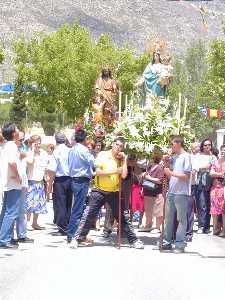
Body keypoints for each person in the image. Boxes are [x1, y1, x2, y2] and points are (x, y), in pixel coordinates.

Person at [69, 137, 144, 249]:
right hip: (99, 190)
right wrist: (115, 171)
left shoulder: (121, 159)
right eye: (117, 145)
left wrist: (124, 161)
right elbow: (98, 172)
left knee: (123, 216)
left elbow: (123, 175)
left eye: (121, 146)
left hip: (114, 191)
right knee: (88, 214)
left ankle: (133, 240)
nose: (118, 148)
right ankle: (77, 238)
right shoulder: (103, 155)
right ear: (113, 144)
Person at [162, 135, 192, 253]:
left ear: (178, 144)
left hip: (182, 193)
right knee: (168, 219)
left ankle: (180, 244)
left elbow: (186, 176)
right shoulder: (175, 157)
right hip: (172, 192)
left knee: (181, 219)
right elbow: (168, 171)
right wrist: (166, 162)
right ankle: (167, 242)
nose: (171, 147)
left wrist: (171, 173)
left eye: (172, 144)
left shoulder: (186, 157)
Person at [67, 129, 95, 243]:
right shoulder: (83, 150)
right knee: (78, 209)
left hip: (74, 179)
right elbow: (93, 162)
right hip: (81, 180)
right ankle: (73, 235)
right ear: (84, 139)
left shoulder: (72, 149)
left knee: (77, 208)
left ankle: (74, 234)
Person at [0, 123, 22, 249]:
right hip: (13, 183)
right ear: (14, 133)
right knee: (11, 212)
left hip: (8, 182)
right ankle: (4, 239)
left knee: (6, 211)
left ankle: (3, 237)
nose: (19, 131)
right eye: (17, 129)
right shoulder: (12, 146)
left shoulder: (7, 146)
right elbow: (12, 162)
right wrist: (18, 175)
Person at [47, 132, 72, 236]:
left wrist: (49, 185)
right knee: (68, 203)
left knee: (60, 204)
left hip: (60, 180)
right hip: (70, 179)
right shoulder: (70, 150)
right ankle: (68, 224)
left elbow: (52, 170)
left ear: (56, 140)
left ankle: (62, 227)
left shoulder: (56, 152)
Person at [13, 131, 34, 243]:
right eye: (20, 140)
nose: (22, 142)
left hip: (23, 183)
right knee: (12, 211)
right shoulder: (10, 150)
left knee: (21, 210)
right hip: (14, 183)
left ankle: (21, 235)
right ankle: (10, 236)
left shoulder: (23, 149)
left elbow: (30, 161)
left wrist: (31, 148)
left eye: (23, 140)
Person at [25, 135, 48, 230]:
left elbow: (46, 164)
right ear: (31, 143)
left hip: (40, 180)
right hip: (31, 180)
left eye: (39, 143)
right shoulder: (29, 152)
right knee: (30, 203)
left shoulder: (43, 152)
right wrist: (33, 151)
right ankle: (27, 223)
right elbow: (30, 162)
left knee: (39, 203)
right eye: (36, 143)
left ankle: (35, 223)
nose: (38, 145)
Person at [194, 139, 216, 234]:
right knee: (201, 204)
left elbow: (212, 167)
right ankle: (201, 226)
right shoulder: (198, 156)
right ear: (202, 146)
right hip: (200, 182)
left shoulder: (213, 157)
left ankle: (206, 227)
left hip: (211, 183)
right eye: (205, 145)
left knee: (208, 205)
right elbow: (196, 167)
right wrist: (204, 167)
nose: (207, 146)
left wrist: (202, 167)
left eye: (209, 145)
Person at [140, 150, 164, 233]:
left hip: (157, 191)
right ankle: (148, 225)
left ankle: (157, 227)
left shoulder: (160, 167)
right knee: (148, 209)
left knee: (158, 210)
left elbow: (160, 180)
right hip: (148, 190)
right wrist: (144, 175)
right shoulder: (149, 167)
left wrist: (148, 178)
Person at [209, 144, 225, 236]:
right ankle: (215, 229)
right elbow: (211, 173)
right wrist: (220, 174)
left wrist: (216, 174)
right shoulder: (216, 162)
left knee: (224, 210)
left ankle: (224, 230)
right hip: (215, 188)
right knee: (214, 210)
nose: (223, 152)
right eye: (222, 150)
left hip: (224, 188)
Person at [186, 142, 200, 242]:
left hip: (191, 186)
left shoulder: (197, 158)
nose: (197, 148)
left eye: (198, 147)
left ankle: (189, 233)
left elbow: (194, 171)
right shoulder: (188, 156)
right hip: (183, 186)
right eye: (195, 147)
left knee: (189, 210)